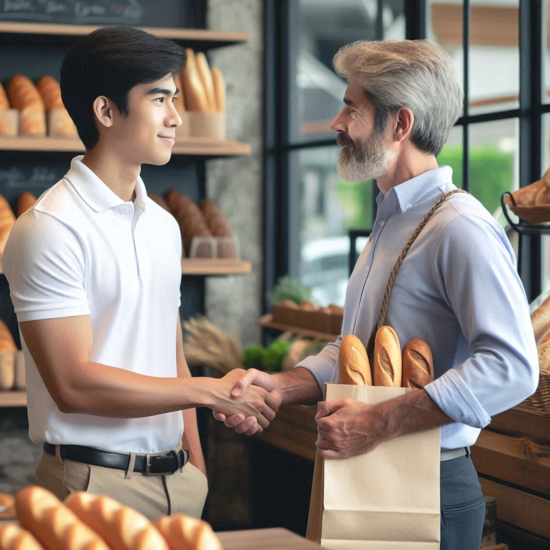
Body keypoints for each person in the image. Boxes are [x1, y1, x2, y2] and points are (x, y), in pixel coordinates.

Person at [214, 40, 539, 549]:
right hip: (364, 473)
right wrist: (283, 384)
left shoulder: (461, 227)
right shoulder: (392, 220)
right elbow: (357, 355)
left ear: (400, 123)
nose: (336, 123)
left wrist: (381, 422)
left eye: (352, 107)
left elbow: (512, 366)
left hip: (428, 487)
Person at [3, 26, 277, 522]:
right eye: (158, 98)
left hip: (179, 483)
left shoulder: (164, 226)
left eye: (174, 97)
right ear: (105, 112)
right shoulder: (47, 229)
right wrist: (208, 390)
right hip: (92, 486)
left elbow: (169, 355)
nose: (176, 116)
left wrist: (196, 465)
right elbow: (73, 384)